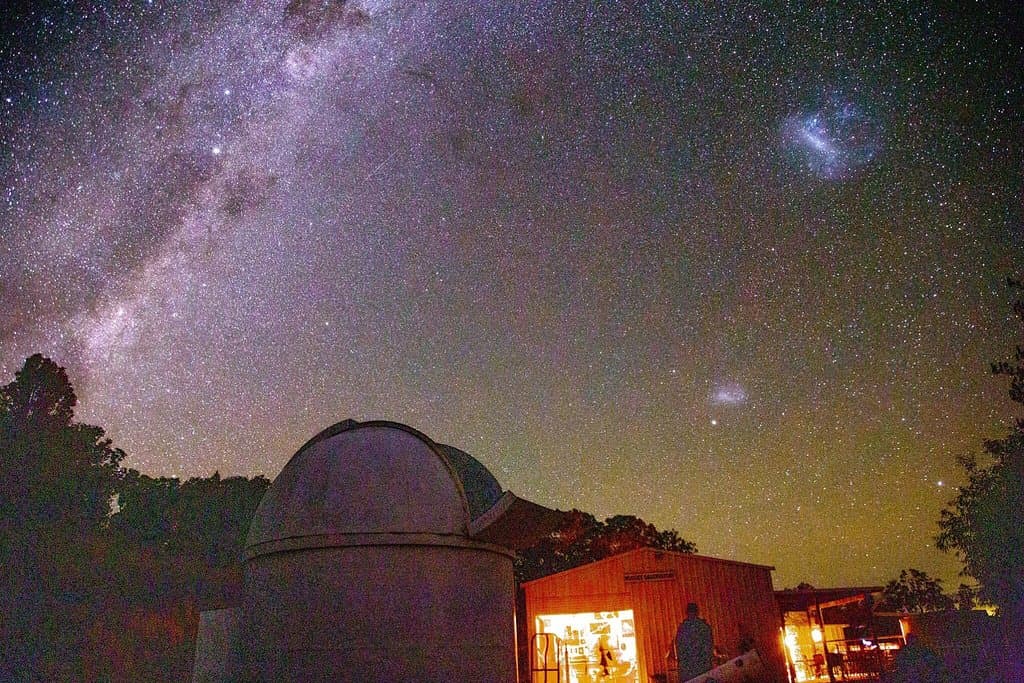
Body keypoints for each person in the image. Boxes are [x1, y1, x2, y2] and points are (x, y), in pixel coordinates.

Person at [676, 602, 714, 682]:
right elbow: (709, 647)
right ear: (697, 612)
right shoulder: (704, 627)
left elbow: (680, 650)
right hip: (703, 667)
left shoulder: (682, 628)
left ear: (686, 612)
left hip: (688, 670)